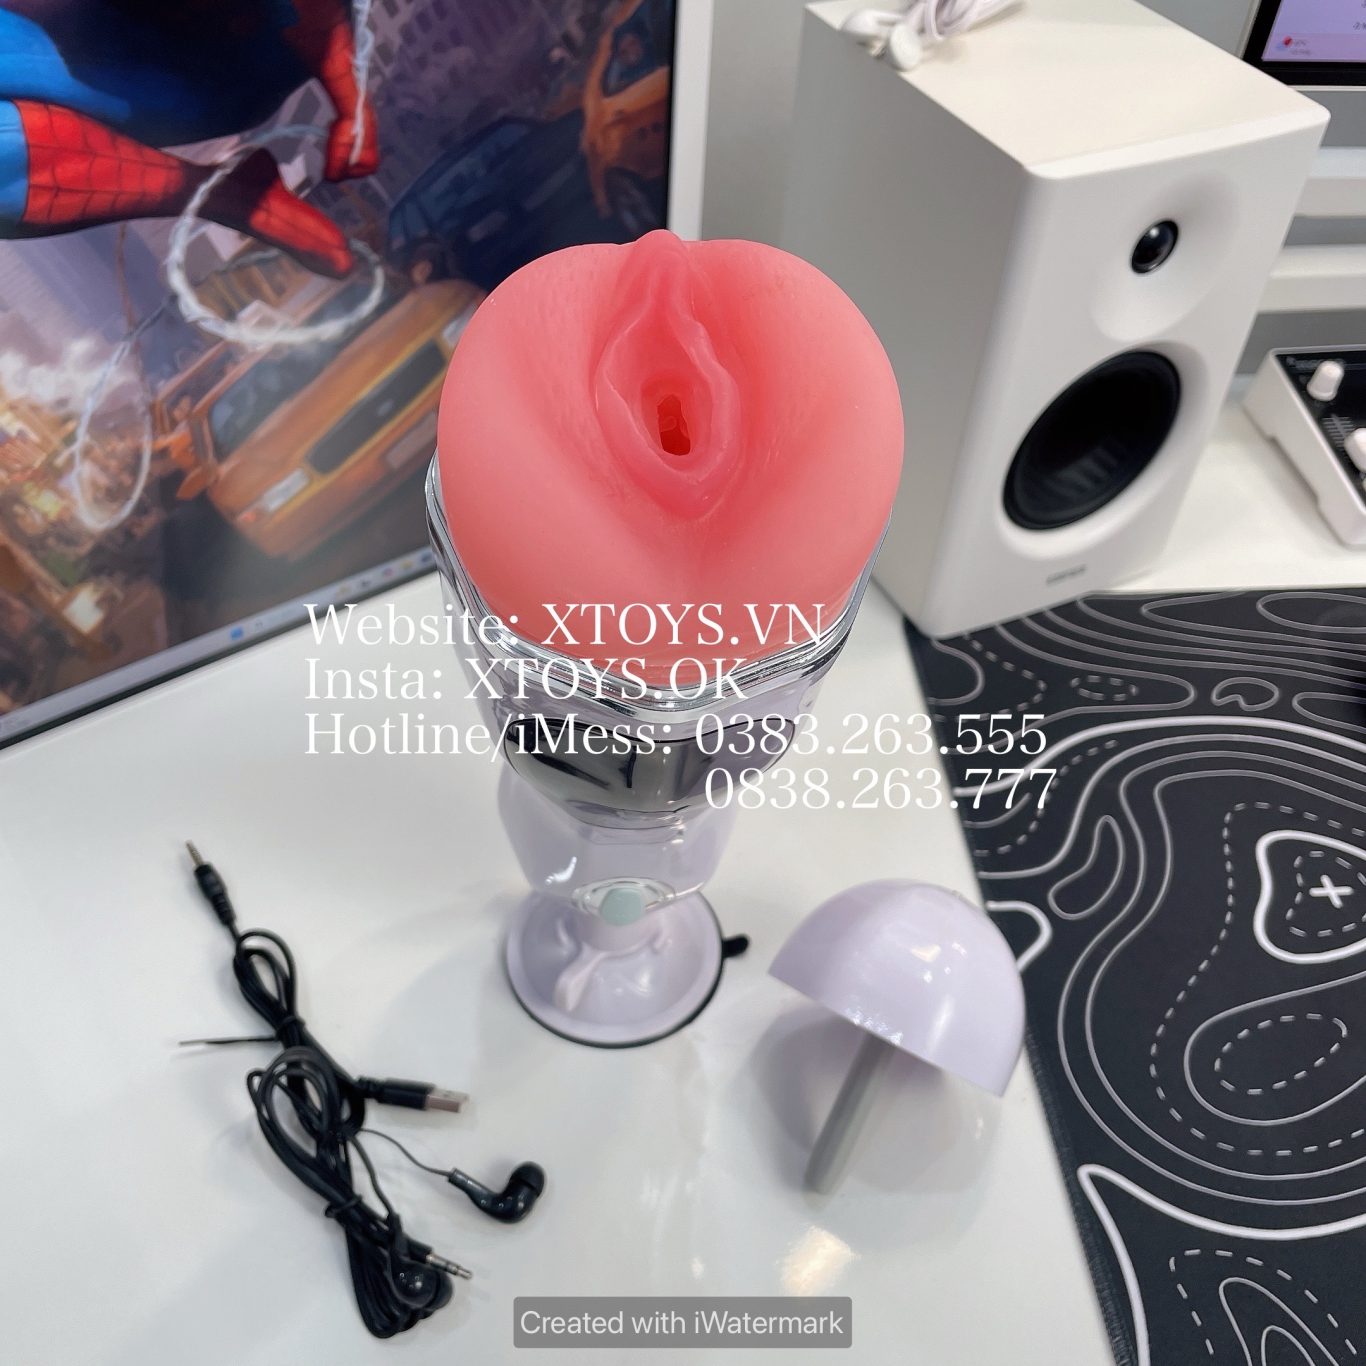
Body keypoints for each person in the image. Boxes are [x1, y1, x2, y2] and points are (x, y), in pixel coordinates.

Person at [0, 0, 380, 277]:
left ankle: (229, 194)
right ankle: (230, 195)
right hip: (135, 77)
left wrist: (351, 101)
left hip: (266, 43)